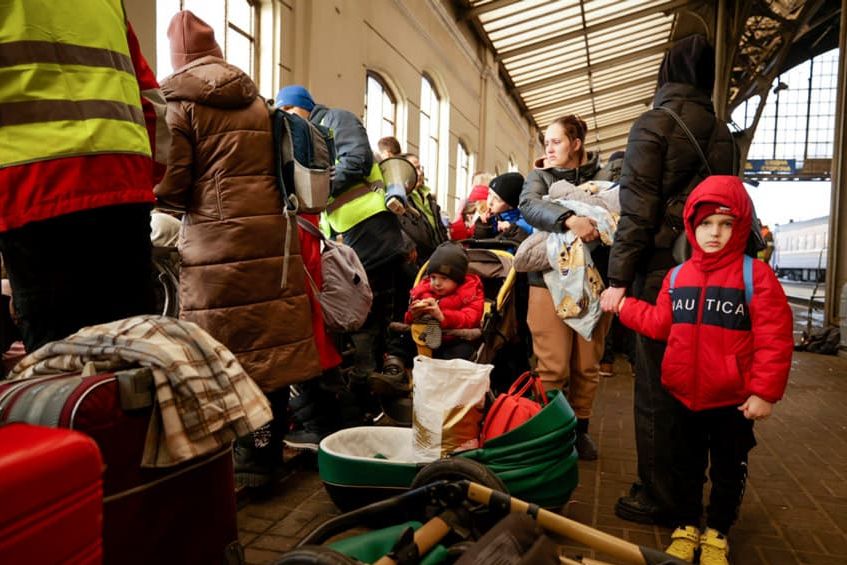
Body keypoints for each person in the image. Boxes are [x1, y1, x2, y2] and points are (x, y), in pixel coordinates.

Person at [156, 11, 320, 488]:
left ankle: (230, 462)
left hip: (215, 244)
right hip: (272, 238)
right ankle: (264, 451)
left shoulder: (181, 104)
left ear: (179, 59)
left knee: (222, 347)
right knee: (269, 343)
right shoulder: (257, 103)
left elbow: (174, 183)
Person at [607, 176, 793, 564]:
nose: (714, 233)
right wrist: (623, 306)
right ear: (692, 226)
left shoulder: (755, 276)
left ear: (741, 226)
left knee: (728, 471)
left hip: (732, 401)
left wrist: (764, 393)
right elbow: (660, 323)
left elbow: (774, 338)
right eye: (706, 223)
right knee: (683, 467)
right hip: (682, 397)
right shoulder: (678, 277)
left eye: (726, 224)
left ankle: (718, 532)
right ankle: (687, 524)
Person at [598, 34, 738, 525]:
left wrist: (617, 278)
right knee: (698, 382)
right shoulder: (724, 131)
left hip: (661, 274)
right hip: (711, 275)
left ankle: (660, 495)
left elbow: (637, 212)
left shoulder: (654, 124)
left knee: (657, 387)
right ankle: (692, 490)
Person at [0, 2, 168, 353]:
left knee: (59, 364)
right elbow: (151, 101)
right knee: (134, 356)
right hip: (123, 188)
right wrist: (144, 175)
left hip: (34, 190)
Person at [275, 85, 409, 417]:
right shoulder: (306, 134)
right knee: (358, 315)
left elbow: (357, 159)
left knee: (365, 317)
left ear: (305, 107)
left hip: (373, 233)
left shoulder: (337, 119)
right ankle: (363, 396)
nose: (288, 120)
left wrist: (316, 189)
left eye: (290, 112)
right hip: (352, 235)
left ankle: (364, 399)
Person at [519, 115, 612, 461]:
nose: (549, 148)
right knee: (553, 364)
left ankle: (580, 430)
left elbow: (618, 209)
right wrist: (570, 219)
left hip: (595, 281)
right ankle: (548, 431)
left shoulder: (605, 178)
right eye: (547, 143)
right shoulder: (539, 176)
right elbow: (528, 205)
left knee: (587, 364)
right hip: (546, 280)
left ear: (576, 144)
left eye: (556, 142)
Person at [404, 242, 484, 361]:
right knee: (400, 338)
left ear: (458, 280)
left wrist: (443, 316)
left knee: (463, 351)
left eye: (444, 278)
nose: (437, 283)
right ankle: (395, 365)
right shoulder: (423, 291)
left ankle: (445, 371)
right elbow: (408, 321)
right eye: (433, 277)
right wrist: (413, 314)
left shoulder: (470, 293)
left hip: (454, 339)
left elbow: (470, 319)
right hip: (423, 337)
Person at [478, 172, 534, 243]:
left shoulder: (524, 223)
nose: (490, 202)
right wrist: (483, 226)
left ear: (510, 205)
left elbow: (525, 247)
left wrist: (512, 230)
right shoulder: (491, 218)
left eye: (497, 199)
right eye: (489, 194)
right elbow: (478, 246)